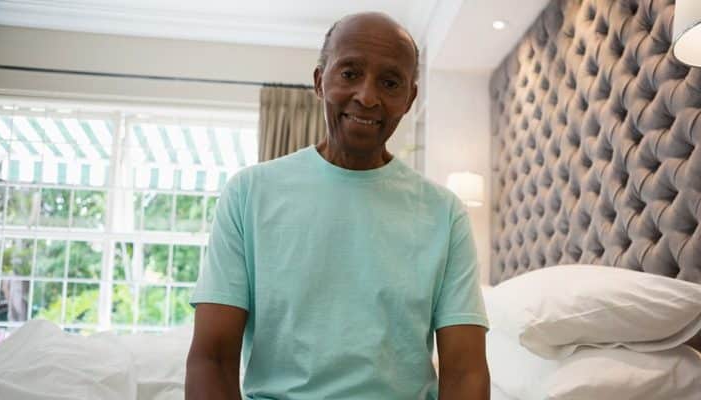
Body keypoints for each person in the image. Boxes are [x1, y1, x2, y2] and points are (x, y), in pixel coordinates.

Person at [185, 12, 490, 400]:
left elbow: (465, 374)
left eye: (390, 82)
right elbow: (212, 359)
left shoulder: (445, 214)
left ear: (409, 98)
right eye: (350, 74)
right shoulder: (249, 193)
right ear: (319, 81)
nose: (367, 96)